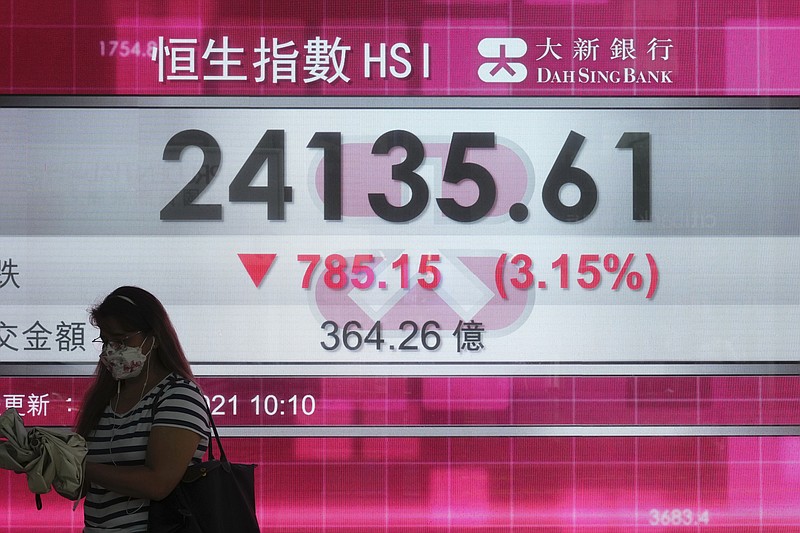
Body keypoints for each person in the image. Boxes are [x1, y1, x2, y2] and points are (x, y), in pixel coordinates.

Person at [74, 286, 210, 532]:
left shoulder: (178, 395)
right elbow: (82, 489)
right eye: (105, 341)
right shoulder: (105, 398)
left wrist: (81, 465)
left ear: (154, 337)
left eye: (122, 340)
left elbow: (158, 483)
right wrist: (48, 461)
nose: (111, 351)